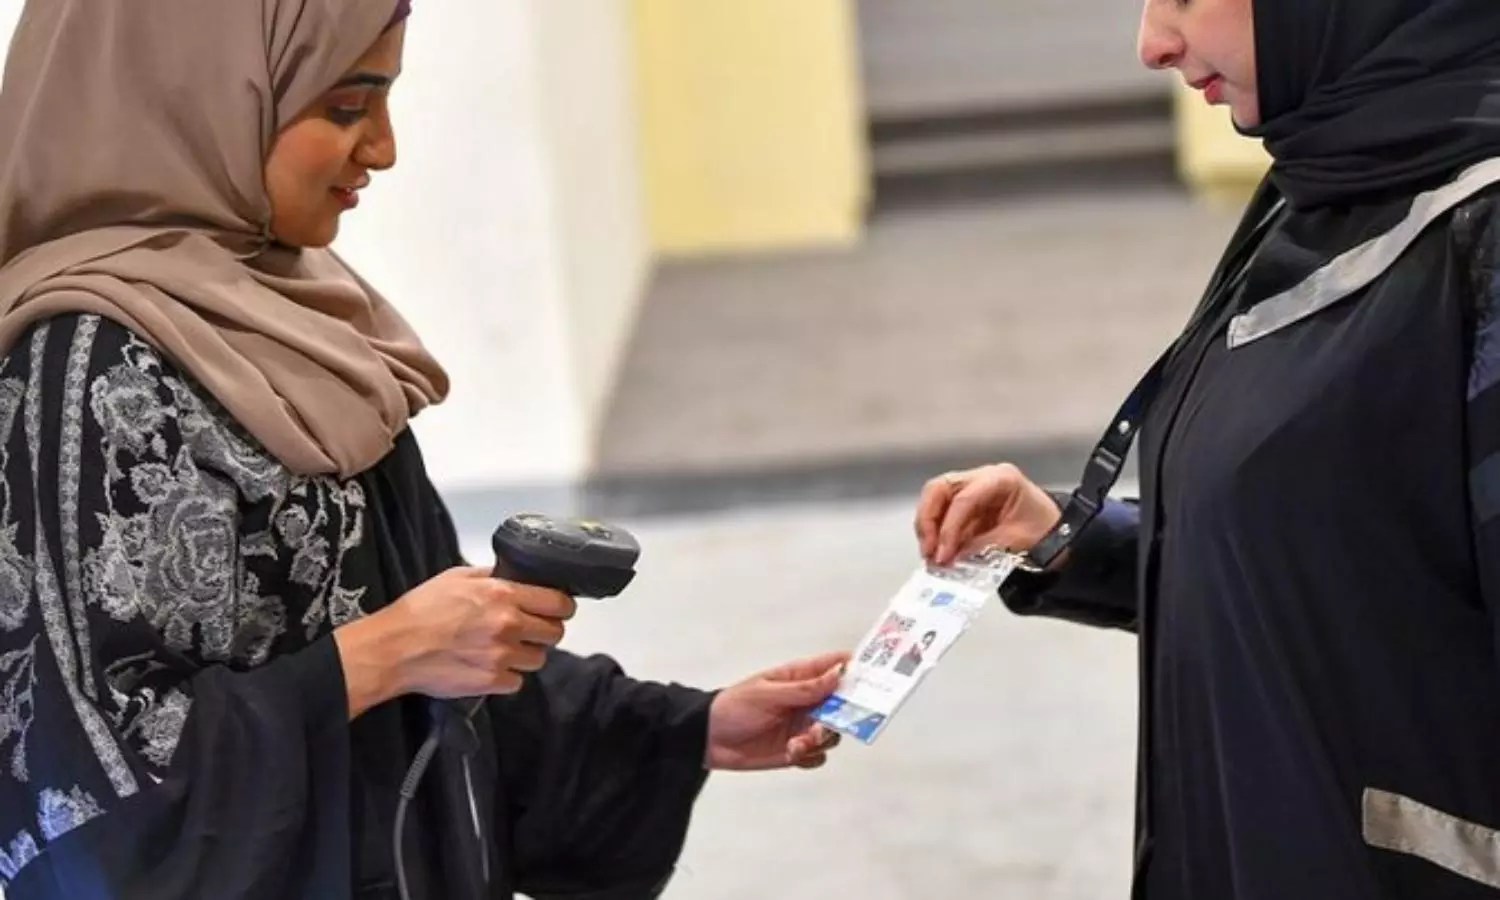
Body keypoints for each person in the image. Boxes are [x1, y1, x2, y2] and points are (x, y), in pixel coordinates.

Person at [0, 2, 849, 898]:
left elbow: (425, 638)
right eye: (343, 108)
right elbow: (80, 783)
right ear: (191, 96)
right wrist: (377, 659)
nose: (383, 148)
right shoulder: (89, 361)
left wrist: (688, 729)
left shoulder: (286, 308)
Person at [916, 0, 1500, 897]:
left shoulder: (1479, 235)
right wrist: (1074, 539)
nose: (1152, 43)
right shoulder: (1326, 185)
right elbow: (1339, 554)